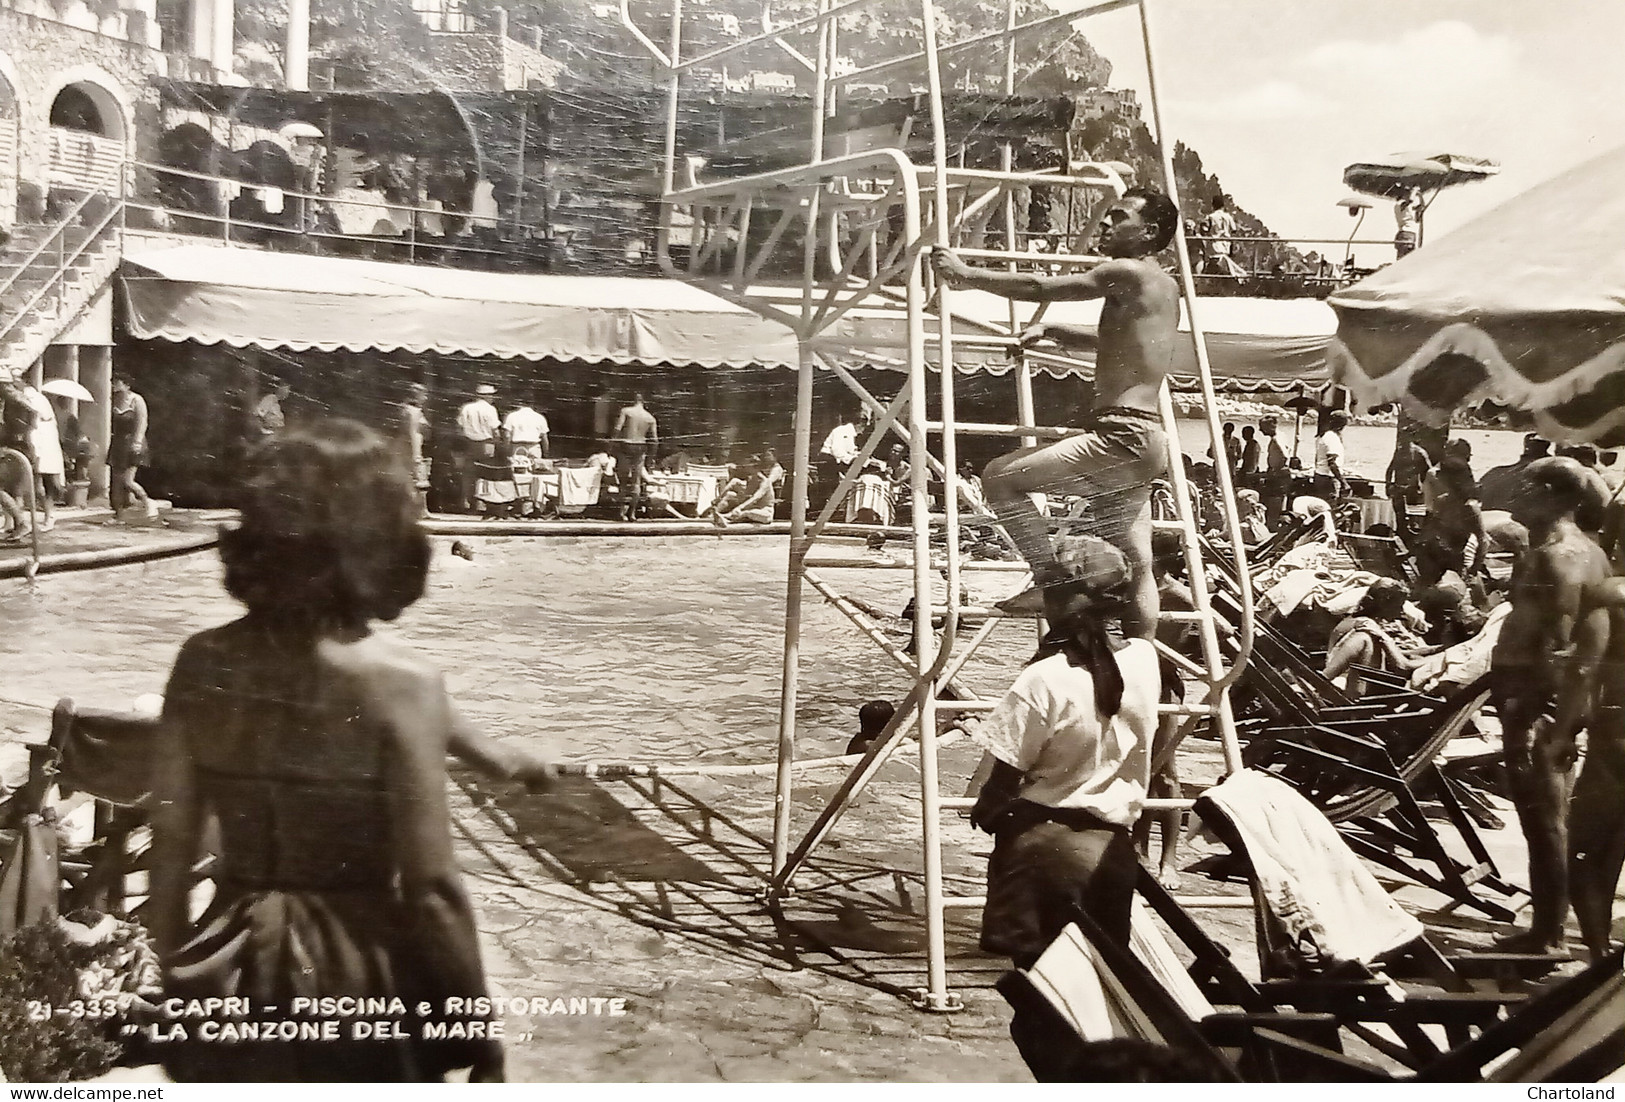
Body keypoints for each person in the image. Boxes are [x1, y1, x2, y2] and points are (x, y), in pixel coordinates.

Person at [147, 420, 525, 1081]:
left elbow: (172, 844)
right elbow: (432, 888)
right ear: (382, 539)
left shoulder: (200, 661)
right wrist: (478, 1034)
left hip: (226, 960)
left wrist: (172, 975)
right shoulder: (403, 683)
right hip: (356, 966)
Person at [931, 186, 1182, 639]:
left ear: (1148, 233)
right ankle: (1142, 654)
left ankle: (1053, 583)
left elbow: (1038, 287)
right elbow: (1123, 345)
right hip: (1147, 440)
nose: (1105, 223)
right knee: (1139, 561)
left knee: (999, 478)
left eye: (1118, 217)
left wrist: (964, 273)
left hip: (1119, 433)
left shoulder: (1124, 270)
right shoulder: (1163, 286)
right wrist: (1057, 331)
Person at [968, 536, 1157, 1073]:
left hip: (1045, 851)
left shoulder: (1044, 677)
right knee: (1096, 989)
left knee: (1040, 999)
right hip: (1111, 851)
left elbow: (1000, 781)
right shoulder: (1145, 660)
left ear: (1054, 603)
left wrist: (992, 813)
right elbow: (1153, 744)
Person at [1488, 457, 1613, 952]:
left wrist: (1556, 726)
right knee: (1547, 817)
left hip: (1537, 704)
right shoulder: (1588, 552)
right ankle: (1550, 929)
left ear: (1556, 496)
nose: (1516, 497)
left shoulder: (1555, 556)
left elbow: (1564, 650)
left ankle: (1547, 936)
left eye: (1527, 488)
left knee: (1545, 819)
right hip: (1546, 703)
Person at [109, 374, 156, 518]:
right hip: (118, 443)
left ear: (127, 385)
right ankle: (119, 516)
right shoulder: (114, 400)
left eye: (117, 382)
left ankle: (148, 502)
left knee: (127, 480)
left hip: (133, 442)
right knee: (116, 483)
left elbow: (142, 422)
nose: (114, 385)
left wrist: (137, 442)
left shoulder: (137, 400)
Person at [21, 385, 62, 532]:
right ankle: (47, 516)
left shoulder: (35, 402)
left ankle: (49, 516)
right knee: (40, 485)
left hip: (44, 444)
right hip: (41, 443)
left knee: (46, 483)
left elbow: (34, 424)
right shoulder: (37, 403)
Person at [612, 394, 659, 521]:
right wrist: (651, 456)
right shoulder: (650, 418)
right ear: (644, 402)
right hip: (640, 447)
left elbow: (617, 429)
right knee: (636, 481)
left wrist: (612, 444)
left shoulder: (626, 411)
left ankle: (622, 512)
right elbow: (654, 440)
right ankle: (632, 513)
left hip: (626, 445)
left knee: (622, 480)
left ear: (633, 400)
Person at [454, 383, 500, 514]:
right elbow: (495, 430)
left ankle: (468, 502)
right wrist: (497, 442)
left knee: (469, 474)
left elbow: (459, 428)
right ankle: (483, 503)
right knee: (486, 474)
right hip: (486, 443)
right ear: (487, 396)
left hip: (469, 443)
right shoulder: (491, 409)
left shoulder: (466, 408)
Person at [1385, 435, 1433, 545]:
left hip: (1413, 491)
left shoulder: (1420, 452)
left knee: (1414, 521)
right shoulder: (1399, 451)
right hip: (1399, 489)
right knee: (1400, 519)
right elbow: (1390, 470)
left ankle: (1412, 543)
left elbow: (1430, 472)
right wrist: (1388, 485)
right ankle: (1401, 540)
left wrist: (1426, 488)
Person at [710, 458, 775, 528]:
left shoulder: (765, 482)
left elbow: (755, 498)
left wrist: (739, 507)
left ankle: (726, 518)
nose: (745, 468)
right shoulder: (751, 479)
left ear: (755, 467)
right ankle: (725, 518)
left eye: (747, 466)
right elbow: (746, 495)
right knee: (743, 510)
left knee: (747, 513)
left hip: (765, 513)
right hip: (752, 509)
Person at [398, 382, 432, 514]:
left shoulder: (405, 409)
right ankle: (422, 511)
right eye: (424, 395)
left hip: (407, 447)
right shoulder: (414, 412)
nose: (426, 398)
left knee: (414, 479)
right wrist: (416, 453)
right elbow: (413, 431)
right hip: (414, 447)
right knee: (419, 479)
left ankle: (418, 510)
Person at [1198, 194, 1241, 278]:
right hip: (1226, 247)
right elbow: (1234, 232)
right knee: (1225, 270)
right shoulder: (1228, 217)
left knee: (1213, 271)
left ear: (1213, 205)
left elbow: (1204, 229)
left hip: (1214, 248)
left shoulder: (1211, 217)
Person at [1258, 416, 1290, 523]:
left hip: (1278, 474)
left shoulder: (1277, 438)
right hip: (1280, 473)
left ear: (1270, 426)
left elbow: (1284, 455)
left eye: (1262, 427)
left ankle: (1275, 521)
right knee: (1280, 499)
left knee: (1275, 499)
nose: (1260, 430)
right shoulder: (1282, 435)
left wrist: (1275, 470)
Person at [1312, 410, 1349, 501]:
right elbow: (1332, 462)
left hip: (1320, 475)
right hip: (1328, 478)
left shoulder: (1325, 436)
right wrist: (1344, 482)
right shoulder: (1332, 438)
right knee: (1331, 507)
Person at [502, 393, 550, 462]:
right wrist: (546, 453)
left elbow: (507, 436)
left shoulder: (512, 416)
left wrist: (506, 451)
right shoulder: (539, 417)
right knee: (535, 469)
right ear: (532, 404)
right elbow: (544, 438)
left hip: (517, 447)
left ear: (519, 403)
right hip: (534, 447)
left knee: (517, 468)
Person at [251, 378, 291, 444]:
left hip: (275, 435)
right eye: (285, 390)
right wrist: (264, 430)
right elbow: (258, 415)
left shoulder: (277, 404)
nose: (286, 393)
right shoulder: (270, 399)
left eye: (288, 391)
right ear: (279, 389)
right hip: (266, 435)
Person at [1394, 187, 1422, 259]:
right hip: (1406, 233)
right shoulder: (1399, 204)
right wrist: (1415, 191)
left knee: (1406, 258)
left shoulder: (1407, 207)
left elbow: (1417, 219)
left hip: (1410, 233)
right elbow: (1410, 200)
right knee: (1405, 258)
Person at [1237, 424, 1260, 491]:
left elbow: (1251, 460)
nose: (1243, 436)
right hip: (1248, 470)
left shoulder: (1253, 445)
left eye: (1244, 433)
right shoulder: (1250, 444)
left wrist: (1246, 472)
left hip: (1249, 471)